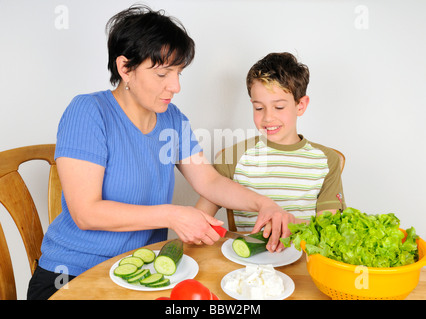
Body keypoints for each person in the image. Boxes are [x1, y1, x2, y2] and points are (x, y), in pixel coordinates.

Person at [27, 5, 292, 300]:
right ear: (125, 68)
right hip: (73, 276)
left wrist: (264, 204)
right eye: (163, 73)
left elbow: (209, 182)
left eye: (178, 73)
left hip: (143, 277)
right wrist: (172, 216)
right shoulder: (89, 112)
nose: (175, 86)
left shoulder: (172, 119)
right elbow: (85, 213)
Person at [196, 52, 346, 236]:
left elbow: (329, 231)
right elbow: (200, 219)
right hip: (247, 263)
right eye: (259, 108)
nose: (267, 117)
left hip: (302, 262)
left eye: (279, 107)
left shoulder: (326, 160)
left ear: (300, 105)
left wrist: (287, 223)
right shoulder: (233, 157)